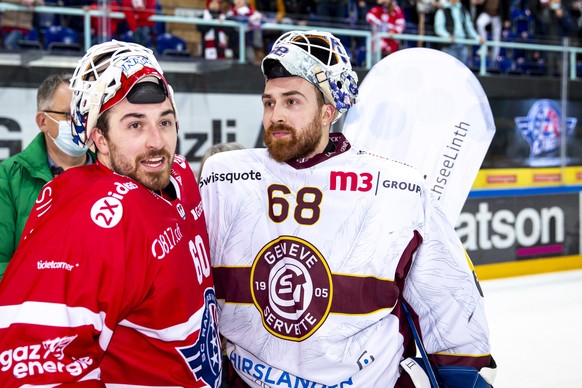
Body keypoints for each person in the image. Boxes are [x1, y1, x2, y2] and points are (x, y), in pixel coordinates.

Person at [199, 30, 496, 387]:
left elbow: (444, 293)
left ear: (328, 112)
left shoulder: (395, 186)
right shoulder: (226, 178)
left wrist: (460, 372)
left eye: (292, 101)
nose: (276, 114)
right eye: (269, 102)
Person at [0, 40, 221, 387]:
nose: (156, 142)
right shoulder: (88, 217)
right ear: (99, 139)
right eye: (135, 125)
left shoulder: (178, 173)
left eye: (165, 122)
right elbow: (34, 366)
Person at [0, 73, 93, 280]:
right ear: (43, 121)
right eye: (70, 116)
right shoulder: (8, 177)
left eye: (86, 115)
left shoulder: (114, 175)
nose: (81, 125)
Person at [434, 0, 485, 65]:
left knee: (462, 71)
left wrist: (478, 37)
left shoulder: (463, 10)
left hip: (462, 45)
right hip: (449, 46)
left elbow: (469, 28)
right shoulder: (442, 11)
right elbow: (439, 29)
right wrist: (447, 36)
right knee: (449, 69)